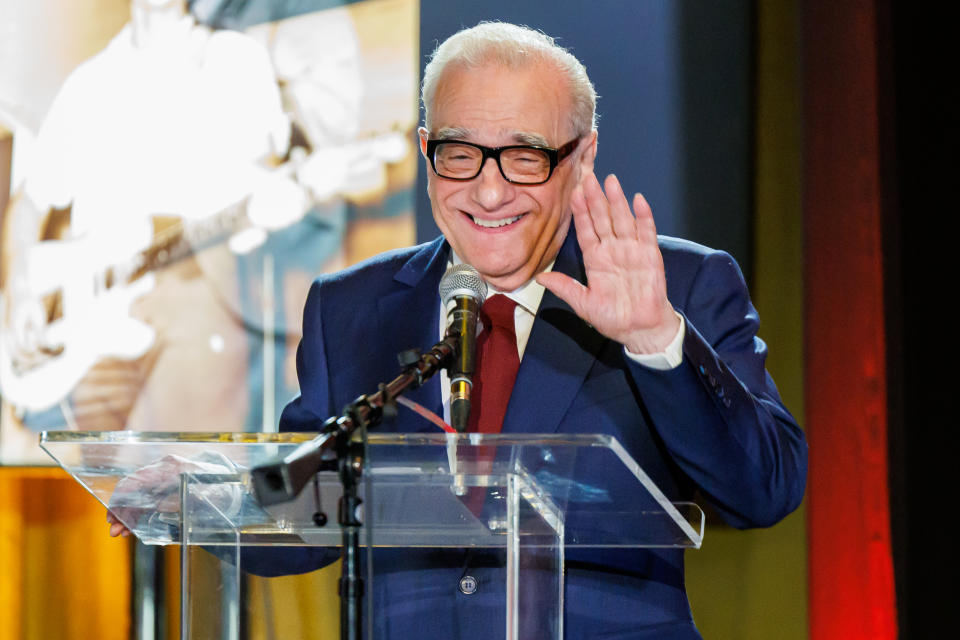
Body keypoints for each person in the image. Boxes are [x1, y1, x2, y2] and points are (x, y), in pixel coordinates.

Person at [114, 21, 808, 639]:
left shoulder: (675, 287)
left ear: (584, 157)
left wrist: (656, 340)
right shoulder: (353, 306)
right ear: (424, 149)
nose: (489, 189)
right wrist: (205, 498)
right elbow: (308, 511)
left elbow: (765, 489)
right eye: (459, 152)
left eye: (525, 155)